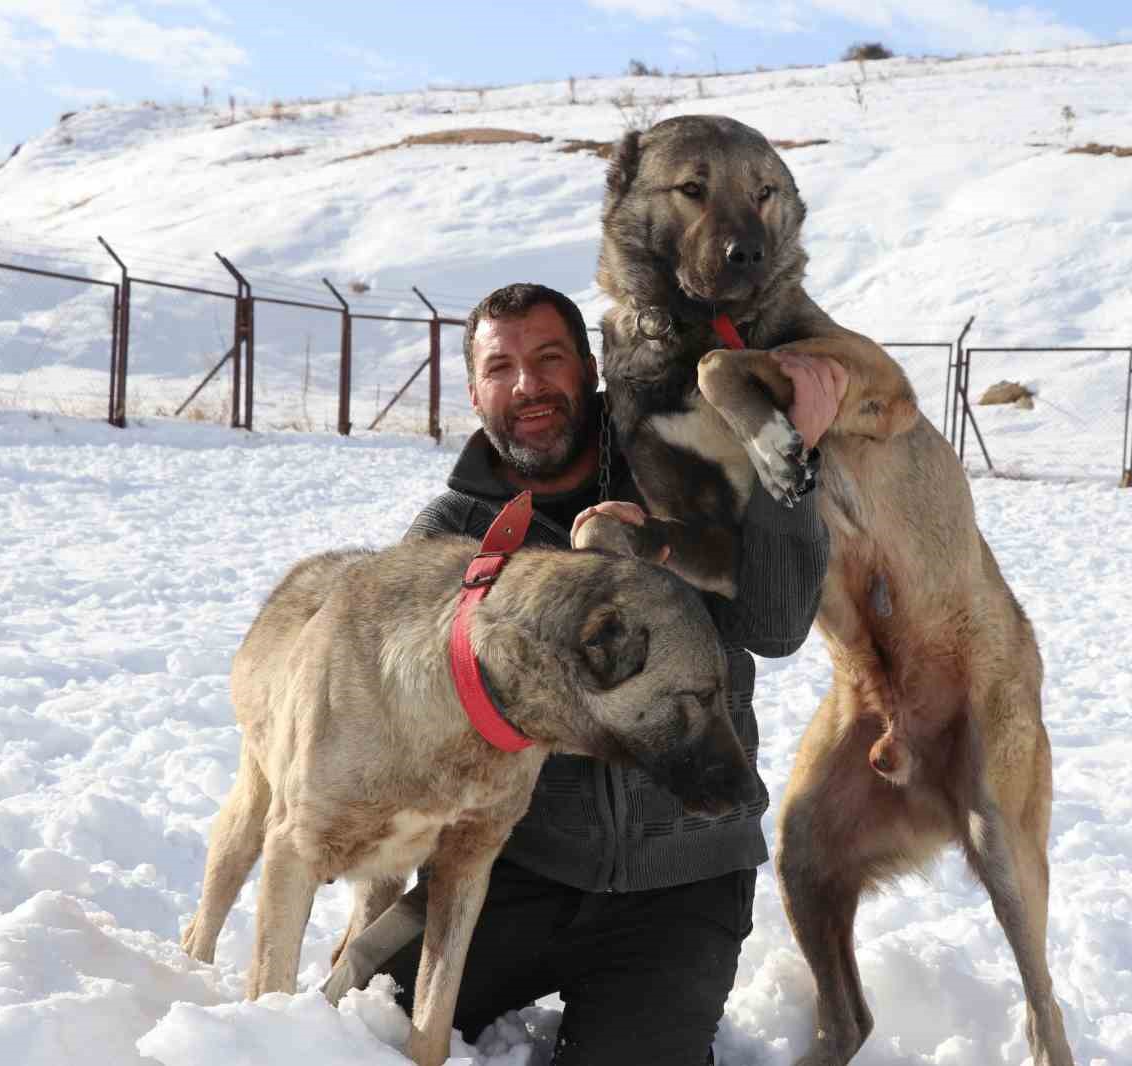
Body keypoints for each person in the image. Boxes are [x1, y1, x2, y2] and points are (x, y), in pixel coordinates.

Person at [326, 282, 846, 1065]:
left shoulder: (681, 474)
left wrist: (788, 465)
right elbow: (397, 717)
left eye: (548, 359)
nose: (527, 385)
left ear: (591, 369)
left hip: (682, 883)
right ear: (474, 392)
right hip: (506, 870)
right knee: (348, 1027)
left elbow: (776, 626)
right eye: (500, 368)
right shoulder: (451, 532)